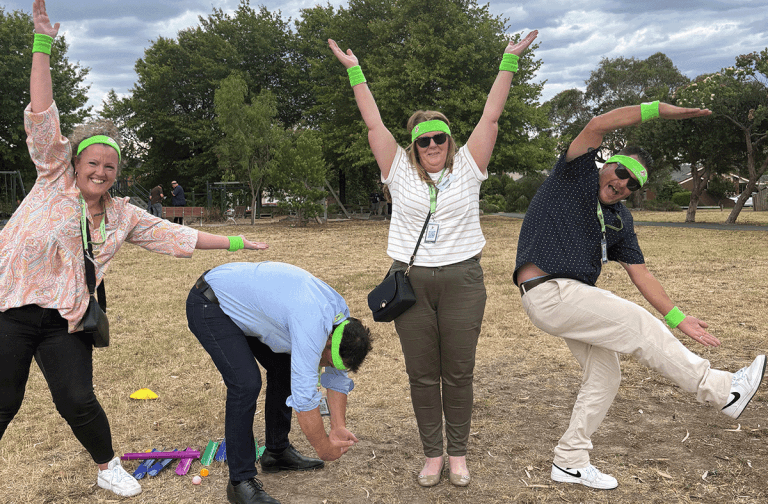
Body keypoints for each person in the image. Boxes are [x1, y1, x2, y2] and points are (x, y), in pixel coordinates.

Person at [0, 1, 268, 498]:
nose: (100, 173)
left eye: (110, 168)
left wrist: (235, 240)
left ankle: (108, 466)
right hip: (10, 308)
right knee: (3, 401)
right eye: (93, 163)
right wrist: (41, 45)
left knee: (78, 400)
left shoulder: (123, 214)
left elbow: (177, 236)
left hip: (67, 316)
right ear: (76, 162)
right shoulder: (52, 178)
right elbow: (42, 114)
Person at [513, 100, 766, 490]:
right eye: (622, 172)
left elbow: (640, 272)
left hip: (569, 296)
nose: (623, 184)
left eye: (634, 184)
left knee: (605, 374)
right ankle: (723, 390)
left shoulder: (619, 219)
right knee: (637, 325)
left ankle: (570, 459)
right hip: (549, 290)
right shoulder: (573, 174)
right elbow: (599, 123)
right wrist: (668, 112)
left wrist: (680, 318)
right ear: (608, 163)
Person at [329, 30, 538, 487]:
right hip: (411, 282)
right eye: (424, 142)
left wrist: (508, 61)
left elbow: (492, 116)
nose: (432, 147)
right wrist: (355, 72)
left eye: (440, 138)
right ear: (415, 147)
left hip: (464, 280)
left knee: (458, 372)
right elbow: (373, 126)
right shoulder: (398, 170)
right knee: (422, 375)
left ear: (450, 140)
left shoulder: (469, 166)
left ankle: (458, 454)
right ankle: (432, 454)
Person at [186, 261, 373, 504]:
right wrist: (323, 447)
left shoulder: (341, 320)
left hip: (248, 308)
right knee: (245, 383)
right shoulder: (312, 326)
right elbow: (304, 402)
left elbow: (337, 377)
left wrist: (337, 425)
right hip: (211, 302)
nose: (323, 366)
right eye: (326, 361)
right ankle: (240, 482)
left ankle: (277, 452)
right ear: (327, 341)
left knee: (284, 368)